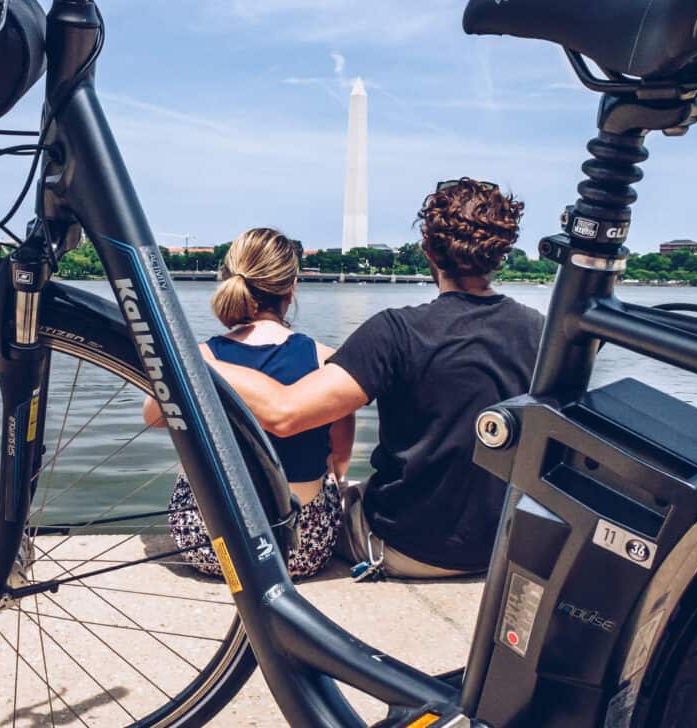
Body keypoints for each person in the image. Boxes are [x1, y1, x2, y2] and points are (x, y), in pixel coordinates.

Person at [206, 180, 544, 578]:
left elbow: (285, 413)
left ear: (428, 250)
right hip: (502, 546)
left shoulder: (396, 332)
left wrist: (187, 357)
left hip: (406, 546)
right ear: (501, 252)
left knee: (337, 494)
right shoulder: (542, 331)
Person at [144, 228, 355, 578]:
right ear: (292, 286)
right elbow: (340, 462)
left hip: (208, 544)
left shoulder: (201, 358)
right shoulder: (326, 361)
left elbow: (152, 415)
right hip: (301, 551)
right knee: (332, 477)